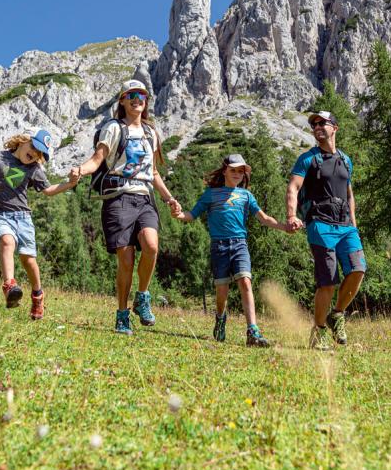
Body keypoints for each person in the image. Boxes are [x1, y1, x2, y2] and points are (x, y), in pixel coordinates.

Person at [70, 80, 181, 335]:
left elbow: (153, 172)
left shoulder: (151, 133)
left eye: (141, 95)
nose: (136, 99)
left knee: (151, 246)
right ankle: (122, 314)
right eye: (130, 95)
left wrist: (169, 198)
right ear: (122, 100)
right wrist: (80, 170)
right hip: (118, 198)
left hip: (145, 198)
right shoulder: (113, 128)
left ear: (146, 101)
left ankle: (142, 296)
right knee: (127, 260)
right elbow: (98, 159)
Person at [0, 129, 79, 320]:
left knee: (28, 260)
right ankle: (9, 286)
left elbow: (49, 190)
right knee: (7, 241)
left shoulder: (34, 169)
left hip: (23, 218)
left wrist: (69, 183)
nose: (35, 153)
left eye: (40, 153)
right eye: (34, 147)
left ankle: (37, 295)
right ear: (23, 141)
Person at [174, 154, 290, 347]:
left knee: (245, 282)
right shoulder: (211, 194)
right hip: (218, 246)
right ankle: (220, 317)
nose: (237, 174)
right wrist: (179, 214)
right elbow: (192, 215)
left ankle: (253, 331)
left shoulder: (246, 196)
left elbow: (264, 218)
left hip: (240, 244)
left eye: (240, 171)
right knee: (222, 291)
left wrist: (285, 227)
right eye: (233, 170)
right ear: (225, 170)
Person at [286, 111, 366, 350]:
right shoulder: (307, 159)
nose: (317, 126)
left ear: (335, 128)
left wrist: (353, 223)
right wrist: (291, 215)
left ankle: (337, 314)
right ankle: (318, 331)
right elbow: (293, 188)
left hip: (346, 227)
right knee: (328, 282)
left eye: (323, 123)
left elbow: (349, 193)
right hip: (320, 224)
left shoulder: (346, 160)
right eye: (314, 124)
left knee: (358, 269)